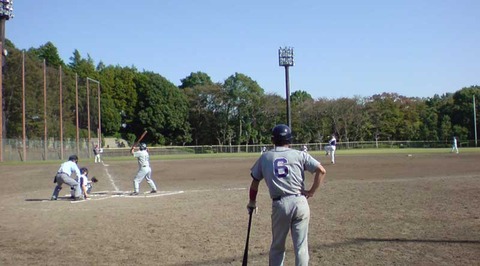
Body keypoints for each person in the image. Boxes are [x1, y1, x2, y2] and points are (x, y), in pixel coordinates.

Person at [247, 124, 327, 266]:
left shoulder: (265, 157)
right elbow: (321, 170)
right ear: (290, 140)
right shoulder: (299, 154)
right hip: (300, 202)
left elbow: (255, 181)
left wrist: (252, 202)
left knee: (278, 246)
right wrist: (311, 192)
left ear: (273, 140)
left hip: (281, 204)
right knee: (301, 247)